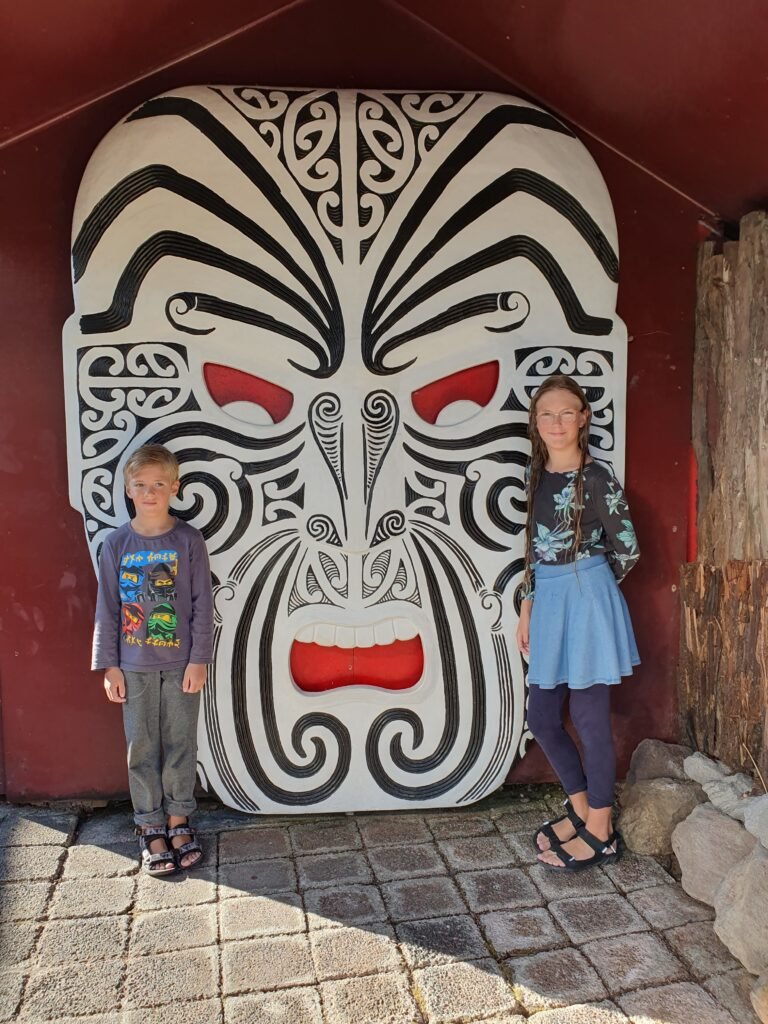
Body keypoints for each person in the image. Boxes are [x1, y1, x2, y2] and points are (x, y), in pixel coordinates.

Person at [516, 374, 640, 871]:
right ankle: (583, 808)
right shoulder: (535, 474)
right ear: (536, 422)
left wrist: (590, 588)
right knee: (543, 717)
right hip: (546, 601)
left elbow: (627, 548)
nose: (556, 422)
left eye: (567, 412)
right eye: (547, 414)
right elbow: (532, 548)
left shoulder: (597, 478)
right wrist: (528, 606)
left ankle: (602, 831)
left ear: (583, 418)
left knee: (589, 719)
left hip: (586, 601)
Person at [92, 444, 213, 876]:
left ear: (174, 488)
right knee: (140, 746)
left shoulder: (188, 541)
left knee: (181, 742)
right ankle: (149, 825)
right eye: (140, 485)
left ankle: (179, 820)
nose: (149, 492)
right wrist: (109, 665)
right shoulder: (116, 544)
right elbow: (107, 608)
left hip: (182, 664)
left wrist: (199, 660)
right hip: (133, 667)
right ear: (128, 489)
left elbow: (202, 604)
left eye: (159, 484)